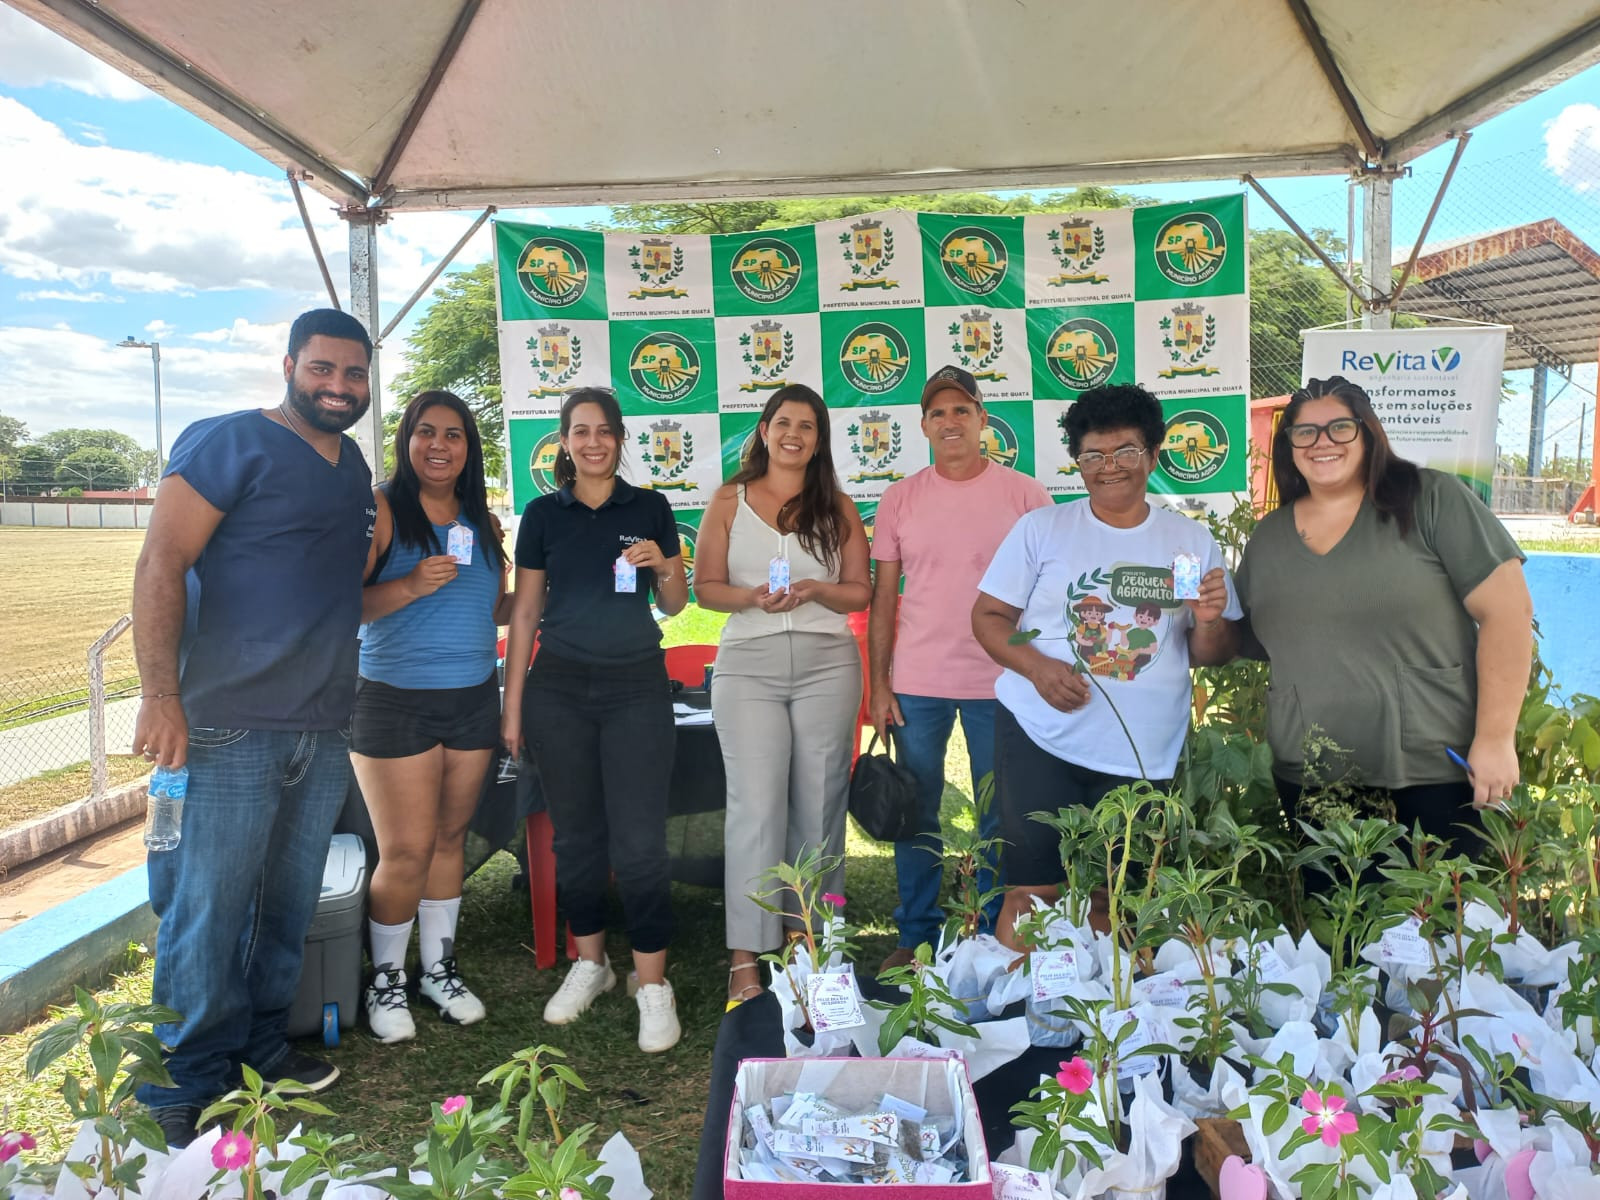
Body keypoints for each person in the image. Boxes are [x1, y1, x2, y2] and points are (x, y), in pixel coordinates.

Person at [130, 309, 377, 1146]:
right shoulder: (227, 441)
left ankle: (262, 1046)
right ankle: (183, 1078)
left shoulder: (352, 470)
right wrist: (161, 694)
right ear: (289, 365)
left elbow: (334, 578)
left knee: (286, 902)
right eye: (323, 369)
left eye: (353, 374)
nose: (338, 387)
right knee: (208, 905)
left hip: (322, 724)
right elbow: (162, 560)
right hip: (227, 723)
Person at [1235, 375, 1532, 855]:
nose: (1322, 442)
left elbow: (1509, 614)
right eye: (1304, 432)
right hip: (1318, 777)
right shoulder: (1268, 537)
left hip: (1435, 771)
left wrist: (1496, 739)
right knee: (1338, 924)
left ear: (1368, 433)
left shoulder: (1430, 499)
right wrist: (1203, 611)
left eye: (1339, 428)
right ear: (1288, 447)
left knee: (1436, 923)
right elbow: (1243, 640)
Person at [971, 383, 1239, 890]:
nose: (1109, 465)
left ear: (1154, 456)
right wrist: (1038, 669)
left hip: (1141, 749)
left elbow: (1211, 655)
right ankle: (1030, 973)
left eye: (1126, 451)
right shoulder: (1041, 530)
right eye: (1093, 454)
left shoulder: (1188, 541)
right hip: (1038, 735)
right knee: (1033, 894)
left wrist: (1208, 619)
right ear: (1077, 461)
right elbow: (987, 618)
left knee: (1117, 899)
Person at [499, 387, 689, 1052]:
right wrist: (513, 705)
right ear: (563, 441)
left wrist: (664, 563)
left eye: (603, 430)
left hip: (637, 685)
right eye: (580, 431)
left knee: (639, 844)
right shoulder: (542, 515)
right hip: (558, 690)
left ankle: (652, 984)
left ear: (619, 437)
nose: (592, 441)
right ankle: (591, 964)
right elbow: (524, 614)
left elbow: (676, 604)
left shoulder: (652, 508)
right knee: (575, 840)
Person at [868, 365, 1051, 974]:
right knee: (916, 811)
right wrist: (879, 682)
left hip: (1001, 680)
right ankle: (917, 934)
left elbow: (1049, 588)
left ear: (982, 420)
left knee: (1000, 813)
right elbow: (884, 597)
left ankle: (995, 931)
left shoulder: (1024, 494)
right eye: (938, 413)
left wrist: (1034, 665)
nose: (950, 421)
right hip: (918, 682)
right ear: (923, 425)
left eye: (962, 410)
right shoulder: (900, 497)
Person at [692, 383, 870, 1007]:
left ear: (820, 440)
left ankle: (807, 945)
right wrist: (753, 598)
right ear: (764, 430)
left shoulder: (838, 506)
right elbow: (705, 588)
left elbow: (861, 593)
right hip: (748, 666)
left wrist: (818, 589)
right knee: (755, 807)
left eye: (808, 426)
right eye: (783, 422)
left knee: (819, 804)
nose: (794, 434)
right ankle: (745, 956)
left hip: (828, 663)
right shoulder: (727, 500)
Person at [353, 391, 512, 1043]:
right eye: (426, 432)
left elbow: (490, 610)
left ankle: (437, 968)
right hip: (395, 701)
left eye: (453, 434)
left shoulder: (483, 520)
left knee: (450, 842)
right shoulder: (383, 510)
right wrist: (411, 584)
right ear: (406, 441)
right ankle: (385, 980)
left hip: (474, 697)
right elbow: (346, 604)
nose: (439, 445)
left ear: (469, 448)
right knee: (407, 850)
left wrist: (549, 596)